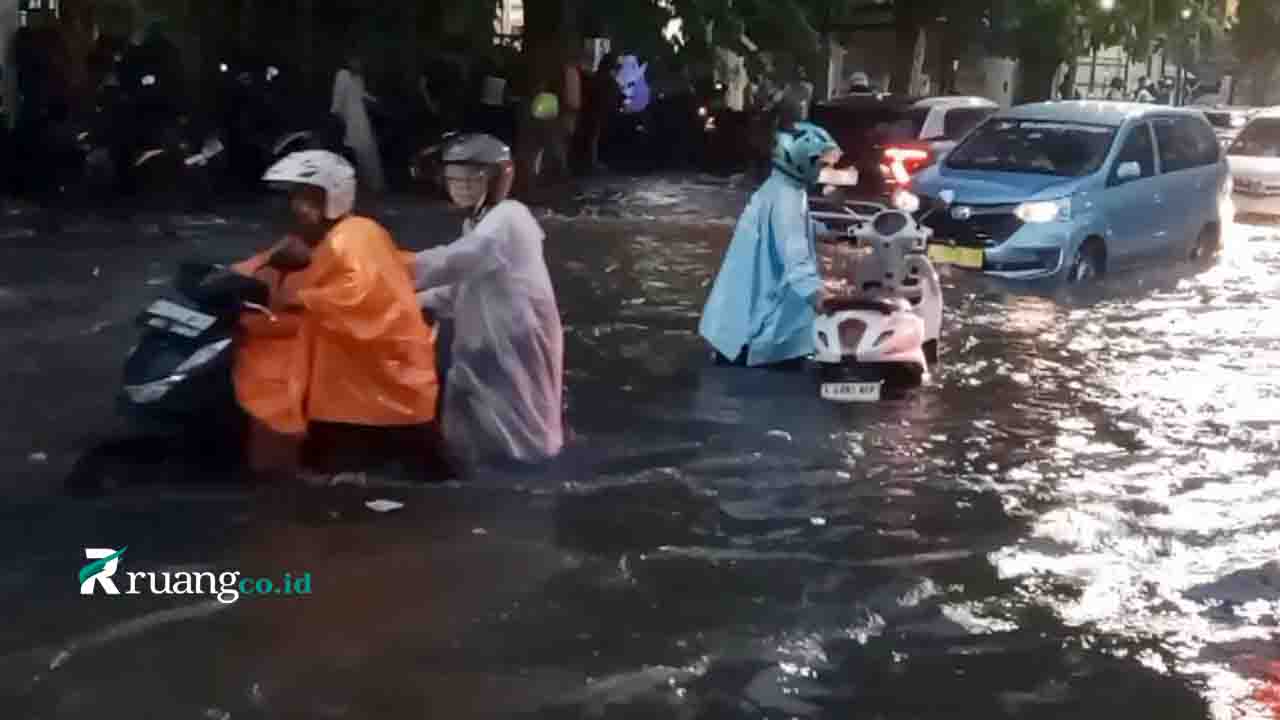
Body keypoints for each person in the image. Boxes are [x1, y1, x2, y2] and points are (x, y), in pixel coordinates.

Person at [233, 150, 440, 480]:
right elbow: (258, 268)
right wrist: (226, 278)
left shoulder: (357, 233)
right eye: (292, 198)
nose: (295, 207)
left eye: (305, 197)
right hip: (342, 373)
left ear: (333, 197)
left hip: (376, 376)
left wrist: (300, 299)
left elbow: (361, 292)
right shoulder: (310, 240)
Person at [411, 134, 564, 469]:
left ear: (497, 177)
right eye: (454, 176)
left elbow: (457, 262)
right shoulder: (477, 224)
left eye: (472, 175)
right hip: (485, 345)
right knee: (471, 435)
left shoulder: (510, 217)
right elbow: (460, 287)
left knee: (524, 437)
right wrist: (413, 301)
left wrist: (389, 268)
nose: (461, 184)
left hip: (515, 342)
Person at [699, 122, 841, 368]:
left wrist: (827, 233)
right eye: (818, 162)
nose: (821, 169)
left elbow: (790, 229)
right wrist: (824, 299)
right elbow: (796, 259)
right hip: (753, 337)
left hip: (737, 327)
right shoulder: (787, 197)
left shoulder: (782, 188)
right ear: (799, 160)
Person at [331, 53, 386, 194]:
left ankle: (373, 185)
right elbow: (337, 102)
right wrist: (339, 121)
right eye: (356, 61)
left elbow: (362, 94)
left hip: (361, 120)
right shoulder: (342, 75)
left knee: (367, 152)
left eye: (360, 62)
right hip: (348, 121)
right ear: (349, 61)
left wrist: (375, 100)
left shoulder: (358, 78)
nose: (359, 65)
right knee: (352, 155)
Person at [583, 51, 620, 173]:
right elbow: (613, 98)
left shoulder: (596, 78)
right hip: (600, 113)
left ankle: (592, 162)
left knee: (593, 137)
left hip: (593, 112)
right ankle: (593, 163)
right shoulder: (608, 81)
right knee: (594, 137)